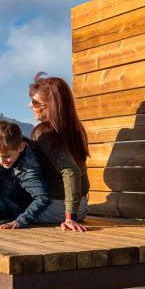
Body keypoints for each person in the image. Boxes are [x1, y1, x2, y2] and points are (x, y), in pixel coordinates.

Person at [27, 73, 90, 232]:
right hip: (81, 206)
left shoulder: (44, 133)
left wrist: (70, 218)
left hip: (57, 209)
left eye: (35, 102)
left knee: (3, 201)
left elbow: (70, 170)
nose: (30, 105)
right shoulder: (76, 129)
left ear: (52, 105)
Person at [0, 120, 53, 229]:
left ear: (21, 147)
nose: (1, 161)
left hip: (10, 203)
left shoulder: (29, 170)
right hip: (0, 190)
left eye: (6, 157)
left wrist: (21, 220)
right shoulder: (11, 143)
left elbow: (43, 197)